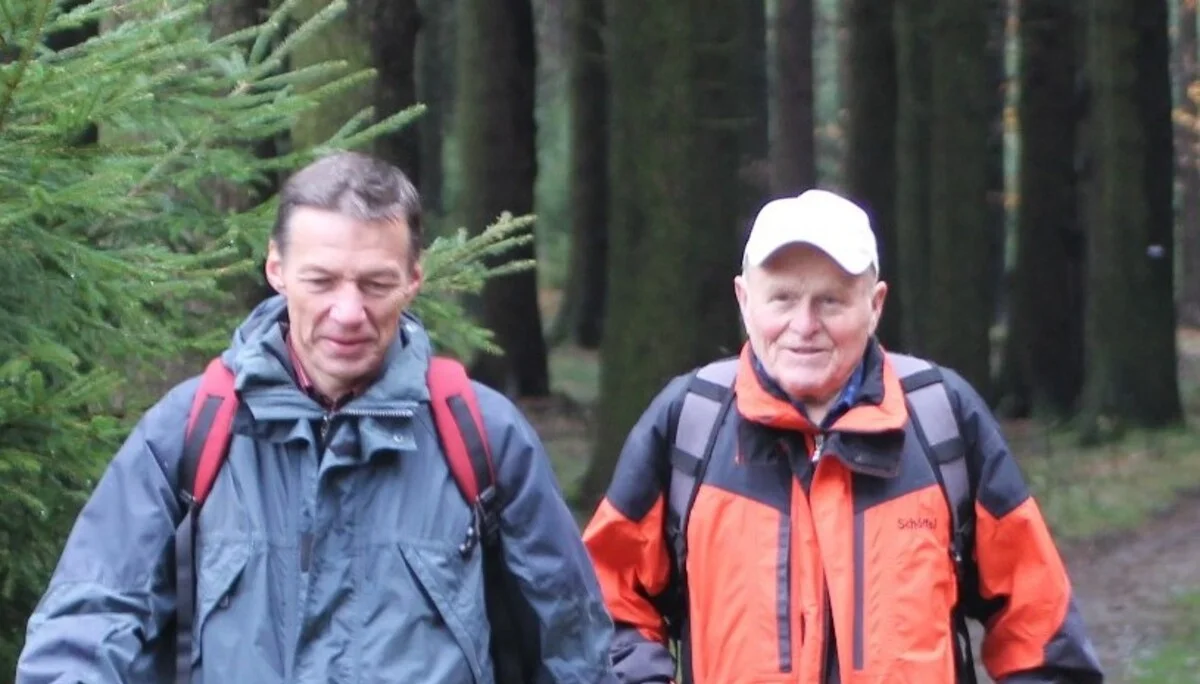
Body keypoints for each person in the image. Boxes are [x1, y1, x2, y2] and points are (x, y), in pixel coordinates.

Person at [17, 151, 616, 684]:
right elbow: (91, 614)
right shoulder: (191, 429)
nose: (348, 312)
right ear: (276, 270)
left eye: (376, 283)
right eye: (322, 281)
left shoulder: (483, 437)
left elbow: (573, 639)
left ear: (413, 278)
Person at [581, 189, 1104, 683]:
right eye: (782, 299)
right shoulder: (689, 424)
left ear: (874, 305)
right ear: (744, 301)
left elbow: (1039, 623)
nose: (804, 324)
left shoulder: (940, 419)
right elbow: (602, 603)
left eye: (831, 301)